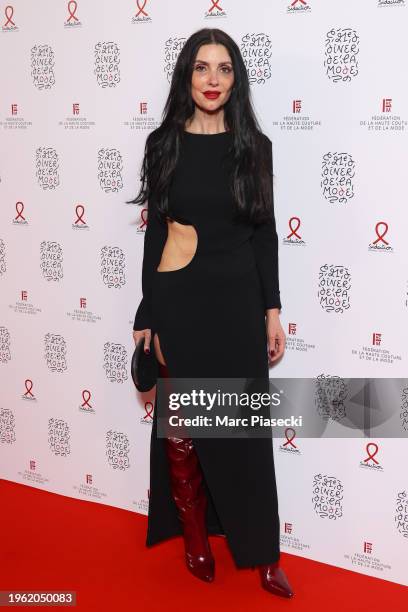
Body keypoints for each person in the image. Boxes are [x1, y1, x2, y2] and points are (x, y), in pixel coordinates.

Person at [130, 28, 294, 598]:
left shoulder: (256, 146)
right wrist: (147, 308)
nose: (213, 80)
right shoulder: (163, 144)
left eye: (224, 69)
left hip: (238, 301)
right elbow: (155, 235)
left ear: (236, 78)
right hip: (181, 297)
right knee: (183, 428)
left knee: (246, 429)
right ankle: (194, 532)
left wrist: (271, 310)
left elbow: (265, 234)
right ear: (187, 76)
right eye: (202, 68)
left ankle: (263, 552)